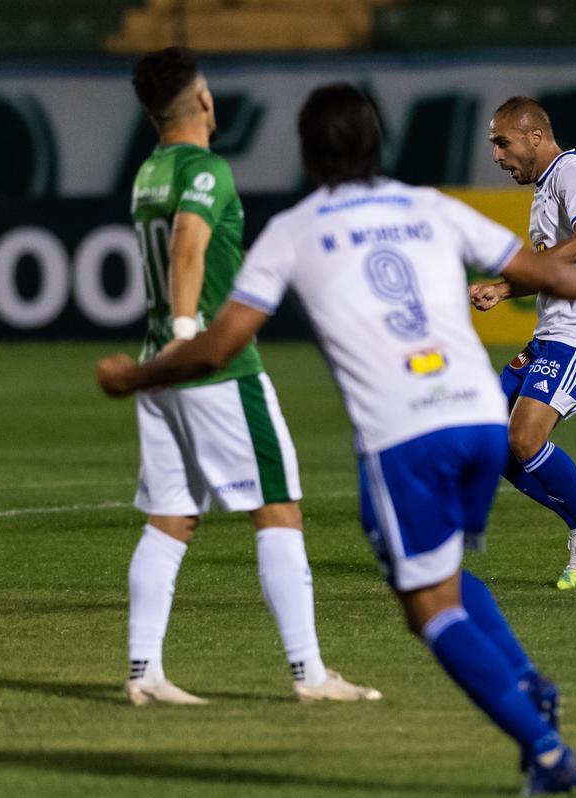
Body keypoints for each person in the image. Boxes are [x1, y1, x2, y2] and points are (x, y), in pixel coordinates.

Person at [98, 83, 576, 796]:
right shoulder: (428, 206)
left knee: (427, 607)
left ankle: (543, 746)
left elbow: (215, 347)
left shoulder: (296, 229)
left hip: (405, 430)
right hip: (476, 412)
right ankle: (530, 684)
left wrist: (135, 377)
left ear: (307, 154)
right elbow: (528, 266)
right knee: (443, 574)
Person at [121, 48, 379, 705]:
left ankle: (144, 672)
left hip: (156, 367)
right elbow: (187, 244)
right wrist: (188, 336)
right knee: (277, 506)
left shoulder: (149, 171)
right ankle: (310, 675)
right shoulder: (206, 170)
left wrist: (168, 346)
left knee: (172, 516)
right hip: (211, 364)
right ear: (201, 101)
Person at [472, 97, 576, 591]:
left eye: (502, 142)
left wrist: (518, 273)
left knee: (524, 438)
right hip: (548, 336)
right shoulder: (543, 190)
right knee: (491, 444)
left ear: (534, 136)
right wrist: (504, 287)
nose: (496, 155)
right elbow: (555, 269)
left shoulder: (572, 172)